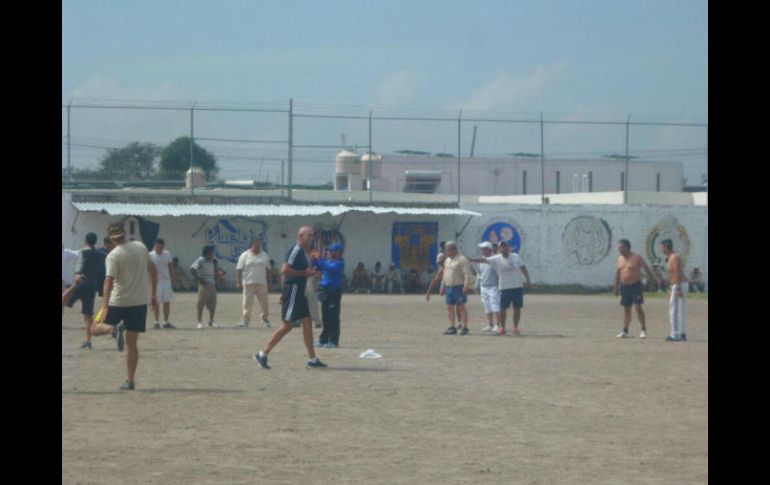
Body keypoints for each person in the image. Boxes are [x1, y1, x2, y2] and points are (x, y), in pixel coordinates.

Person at [91, 223, 158, 391]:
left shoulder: (113, 255)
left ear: (111, 238)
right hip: (139, 302)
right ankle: (130, 380)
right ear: (124, 234)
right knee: (132, 343)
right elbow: (153, 270)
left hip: (118, 301)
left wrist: (105, 305)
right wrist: (153, 294)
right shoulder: (141, 247)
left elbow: (108, 281)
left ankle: (113, 330)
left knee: (94, 328)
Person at [254, 226, 327, 370]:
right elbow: (285, 270)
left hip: (300, 291)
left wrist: (311, 269)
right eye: (309, 235)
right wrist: (305, 273)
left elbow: (303, 270)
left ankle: (312, 359)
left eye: (312, 236)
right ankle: (262, 353)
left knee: (307, 323)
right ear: (301, 236)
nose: (311, 238)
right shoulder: (295, 250)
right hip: (293, 290)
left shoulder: (304, 252)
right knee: (287, 325)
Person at [470, 240, 532, 336]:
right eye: (501, 247)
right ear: (499, 249)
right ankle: (502, 327)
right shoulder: (496, 258)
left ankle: (515, 327)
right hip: (504, 287)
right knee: (503, 308)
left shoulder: (515, 257)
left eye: (505, 247)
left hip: (517, 286)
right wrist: (471, 259)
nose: (503, 249)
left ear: (509, 248)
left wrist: (528, 280)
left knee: (517, 308)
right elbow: (483, 260)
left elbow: (523, 268)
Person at [613, 239, 660, 339]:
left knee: (638, 308)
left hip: (635, 285)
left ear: (626, 247)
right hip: (624, 286)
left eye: (621, 247)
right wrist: (616, 287)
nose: (619, 249)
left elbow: (646, 269)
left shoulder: (637, 257)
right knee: (626, 309)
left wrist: (652, 280)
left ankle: (643, 329)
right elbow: (618, 274)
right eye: (619, 247)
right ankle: (625, 330)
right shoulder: (620, 259)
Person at [65, 233, 106, 349]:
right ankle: (88, 341)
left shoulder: (82, 252)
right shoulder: (100, 255)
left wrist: (77, 275)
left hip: (80, 284)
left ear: (85, 240)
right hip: (92, 285)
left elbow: (79, 266)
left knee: (63, 300)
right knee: (88, 315)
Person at [313, 243, 345, 348]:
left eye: (333, 251)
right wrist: (314, 259)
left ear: (339, 252)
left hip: (334, 291)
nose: (330, 253)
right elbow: (317, 266)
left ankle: (334, 340)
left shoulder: (340, 263)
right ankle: (324, 339)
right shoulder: (327, 261)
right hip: (325, 290)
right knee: (325, 316)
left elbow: (330, 268)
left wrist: (320, 259)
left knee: (333, 316)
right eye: (330, 251)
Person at [437, 242, 473, 335]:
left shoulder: (462, 259)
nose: (446, 252)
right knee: (449, 307)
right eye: (446, 250)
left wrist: (466, 286)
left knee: (461, 306)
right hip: (449, 287)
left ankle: (465, 327)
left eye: (447, 250)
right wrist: (442, 286)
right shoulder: (447, 260)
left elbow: (467, 274)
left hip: (459, 286)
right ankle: (452, 327)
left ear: (454, 249)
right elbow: (445, 274)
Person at [236, 237, 271, 328]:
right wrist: (238, 282)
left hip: (261, 282)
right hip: (248, 282)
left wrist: (270, 281)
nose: (258, 245)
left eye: (259, 243)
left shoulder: (264, 255)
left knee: (264, 302)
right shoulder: (245, 255)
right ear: (252, 244)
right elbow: (239, 269)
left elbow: (268, 269)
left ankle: (264, 318)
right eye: (256, 243)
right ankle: (245, 320)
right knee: (247, 302)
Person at [660, 239, 688, 342]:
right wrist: (670, 288)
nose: (661, 249)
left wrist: (678, 288)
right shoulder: (671, 257)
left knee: (674, 310)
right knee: (680, 310)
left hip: (679, 284)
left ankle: (675, 334)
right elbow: (672, 275)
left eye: (662, 247)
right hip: (677, 284)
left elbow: (678, 272)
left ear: (666, 247)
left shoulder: (674, 257)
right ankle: (682, 333)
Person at [149, 238, 176, 329]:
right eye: (157, 247)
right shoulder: (150, 255)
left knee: (167, 302)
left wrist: (173, 278)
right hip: (156, 282)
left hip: (166, 281)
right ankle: (156, 321)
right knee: (156, 302)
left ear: (163, 247)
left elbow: (170, 266)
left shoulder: (167, 254)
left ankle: (166, 321)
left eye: (161, 247)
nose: (159, 249)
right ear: (154, 246)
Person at [191, 245, 219, 329]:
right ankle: (199, 322)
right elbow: (192, 269)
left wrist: (217, 275)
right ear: (206, 253)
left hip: (212, 284)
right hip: (204, 284)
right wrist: (199, 278)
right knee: (201, 303)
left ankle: (211, 321)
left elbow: (215, 271)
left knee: (213, 303)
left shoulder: (213, 261)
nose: (212, 254)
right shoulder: (200, 260)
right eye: (211, 253)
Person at [474, 241, 501, 333]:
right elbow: (479, 273)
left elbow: (499, 273)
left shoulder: (494, 260)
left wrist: (500, 286)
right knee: (487, 306)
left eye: (483, 248)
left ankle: (498, 324)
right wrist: (477, 284)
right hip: (483, 286)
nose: (482, 250)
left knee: (495, 306)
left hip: (493, 286)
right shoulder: (481, 260)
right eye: (481, 248)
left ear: (489, 249)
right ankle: (490, 324)